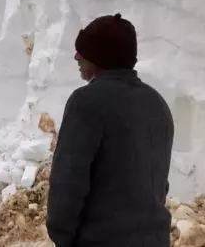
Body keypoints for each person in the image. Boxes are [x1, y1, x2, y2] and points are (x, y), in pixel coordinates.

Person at [46, 13, 174, 247]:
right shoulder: (158, 103)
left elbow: (69, 182)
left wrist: (61, 235)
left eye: (83, 53)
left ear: (99, 58)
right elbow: (158, 184)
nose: (76, 57)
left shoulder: (85, 103)